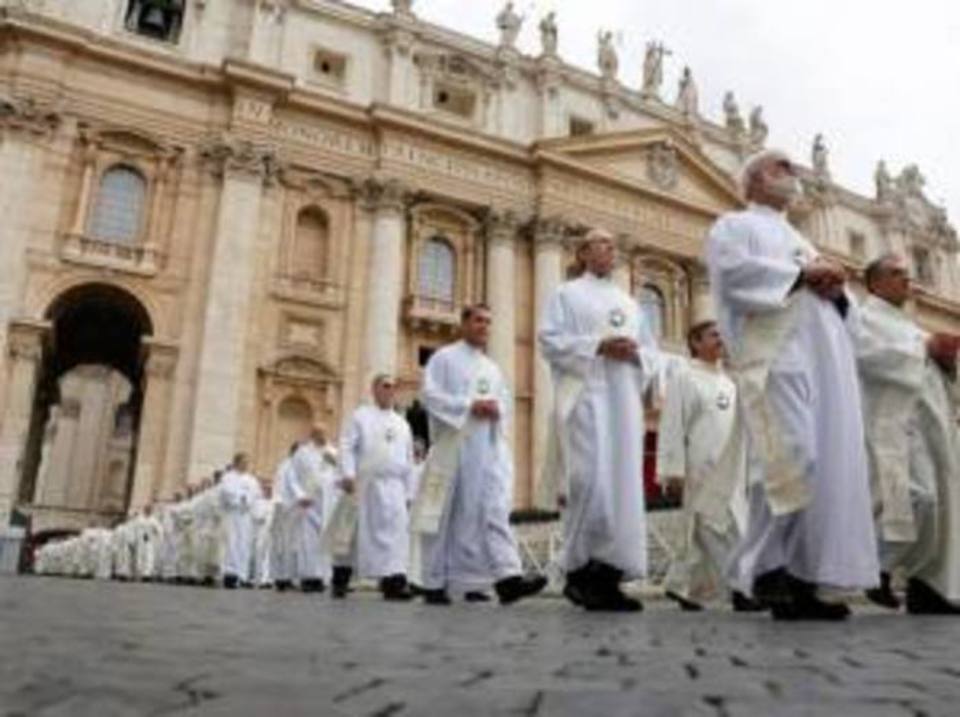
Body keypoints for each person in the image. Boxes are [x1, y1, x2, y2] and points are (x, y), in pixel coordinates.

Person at [706, 149, 878, 620]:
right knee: (791, 457)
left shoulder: (803, 239)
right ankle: (765, 566)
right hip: (776, 357)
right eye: (780, 166)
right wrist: (802, 274)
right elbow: (733, 277)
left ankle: (805, 579)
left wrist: (837, 292)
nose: (793, 172)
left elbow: (845, 315)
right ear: (753, 181)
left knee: (826, 469)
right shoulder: (733, 226)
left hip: (823, 366)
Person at [539, 229, 660, 611]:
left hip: (624, 405)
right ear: (583, 252)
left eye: (612, 244)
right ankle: (578, 570)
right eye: (601, 243)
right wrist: (598, 346)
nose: (610, 249)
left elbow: (652, 353)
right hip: (587, 397)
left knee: (624, 489)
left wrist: (635, 353)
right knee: (591, 482)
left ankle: (607, 579)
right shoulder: (566, 294)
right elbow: (549, 340)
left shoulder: (630, 303)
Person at [415, 304, 546, 605]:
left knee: (493, 509)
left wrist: (497, 411)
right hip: (452, 448)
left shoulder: (492, 368)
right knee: (442, 515)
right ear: (463, 323)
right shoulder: (444, 358)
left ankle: (507, 578)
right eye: (478, 320)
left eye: (488, 322)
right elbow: (429, 395)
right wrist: (468, 406)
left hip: (486, 450)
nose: (484, 326)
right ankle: (434, 583)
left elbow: (505, 404)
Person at [855, 253, 960, 614]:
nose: (907, 279)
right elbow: (866, 357)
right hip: (896, 424)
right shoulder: (864, 318)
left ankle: (928, 588)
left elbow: (936, 376)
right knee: (919, 499)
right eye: (897, 273)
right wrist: (924, 350)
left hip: (933, 428)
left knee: (942, 506)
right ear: (875, 283)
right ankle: (878, 566)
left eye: (907, 274)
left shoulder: (911, 326)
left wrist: (947, 364)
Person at [657, 321, 759, 612]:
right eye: (714, 335)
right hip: (701, 467)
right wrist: (672, 470)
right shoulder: (684, 378)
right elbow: (672, 425)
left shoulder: (730, 381)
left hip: (732, 469)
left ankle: (684, 587)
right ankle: (740, 590)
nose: (721, 340)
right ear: (695, 342)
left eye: (723, 335)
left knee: (703, 533)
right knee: (721, 528)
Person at [339, 375, 416, 601]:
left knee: (397, 534)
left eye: (393, 387)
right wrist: (348, 473)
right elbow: (347, 445)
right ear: (374, 390)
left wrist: (409, 491)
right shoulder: (360, 416)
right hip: (367, 483)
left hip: (395, 485)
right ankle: (340, 576)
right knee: (358, 532)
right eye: (385, 386)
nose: (390, 391)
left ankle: (394, 581)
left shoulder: (402, 423)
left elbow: (409, 458)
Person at [289, 425, 338, 593]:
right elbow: (292, 477)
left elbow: (342, 474)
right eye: (318, 433)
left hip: (328, 502)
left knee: (326, 540)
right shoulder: (302, 453)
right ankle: (309, 577)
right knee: (308, 540)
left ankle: (323, 576)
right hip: (309, 501)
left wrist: (336, 463)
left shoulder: (333, 452)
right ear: (312, 434)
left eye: (324, 433)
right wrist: (299, 495)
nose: (322, 436)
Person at [219, 454, 263, 589]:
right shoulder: (228, 477)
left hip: (246, 516)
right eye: (243, 462)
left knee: (243, 544)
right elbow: (226, 492)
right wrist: (241, 498)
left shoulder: (252, 480)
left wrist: (247, 500)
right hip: (233, 514)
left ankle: (242, 575)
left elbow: (256, 495)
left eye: (247, 462)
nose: (245, 465)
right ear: (236, 463)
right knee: (232, 543)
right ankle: (230, 574)